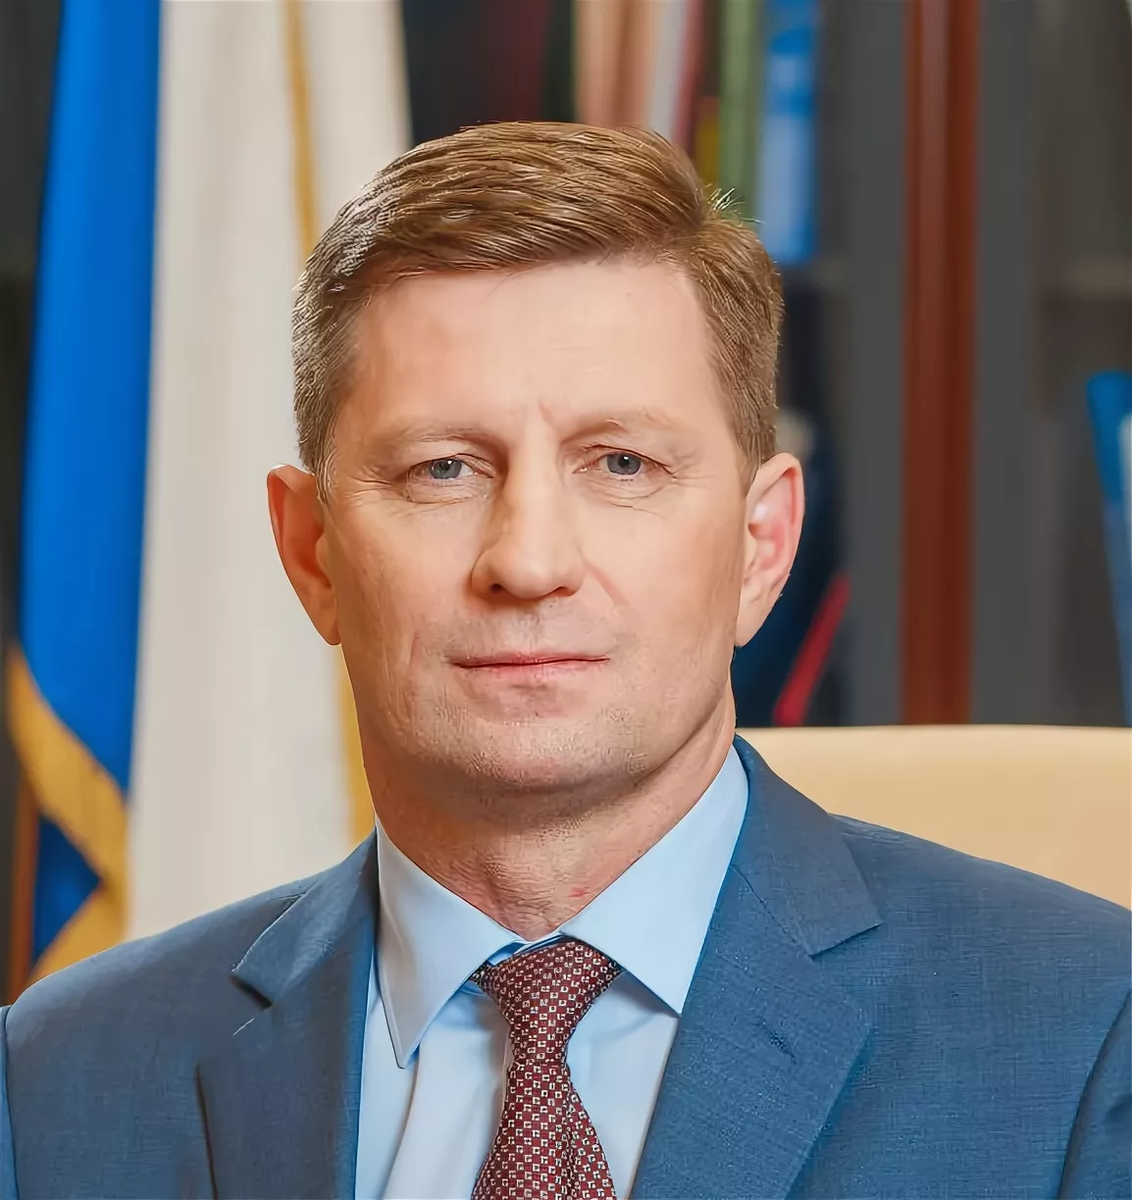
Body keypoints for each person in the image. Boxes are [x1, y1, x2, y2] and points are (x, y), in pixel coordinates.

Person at [1, 122, 1128, 1200]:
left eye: (622, 463)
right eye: (443, 469)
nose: (529, 562)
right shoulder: (59, 1083)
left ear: (761, 545)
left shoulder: (1083, 1041)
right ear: (313, 554)